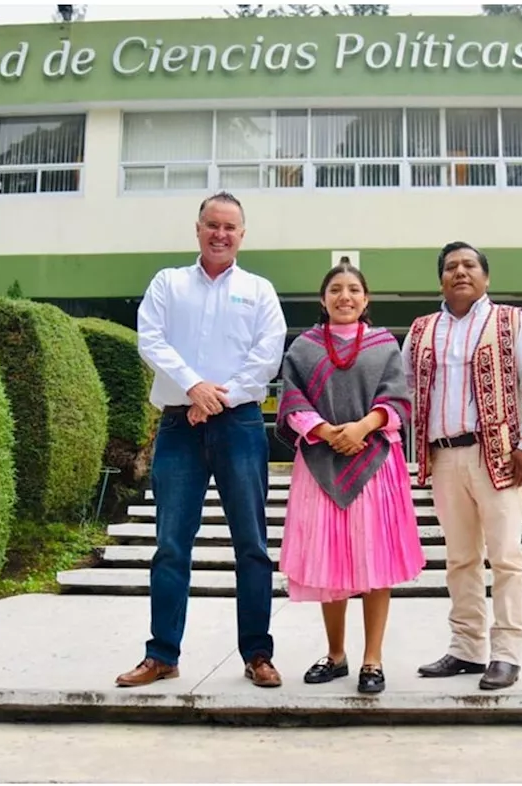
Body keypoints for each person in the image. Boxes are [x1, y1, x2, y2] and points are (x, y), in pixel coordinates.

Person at [117, 191, 287, 689]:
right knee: (171, 544)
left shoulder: (258, 291)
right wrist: (194, 386)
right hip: (178, 425)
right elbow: (151, 339)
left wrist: (217, 397)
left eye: (230, 227)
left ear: (242, 234)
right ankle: (162, 654)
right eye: (212, 225)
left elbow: (267, 354)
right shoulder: (168, 284)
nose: (220, 234)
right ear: (197, 228)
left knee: (252, 545)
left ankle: (258, 653)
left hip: (239, 426)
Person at [401, 241, 522, 691]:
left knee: (505, 556)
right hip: (443, 455)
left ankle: (506, 654)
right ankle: (466, 648)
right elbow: (404, 386)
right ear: (441, 279)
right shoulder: (421, 329)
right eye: (451, 267)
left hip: (499, 455)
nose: (460, 272)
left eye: (469, 265)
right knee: (460, 558)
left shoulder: (512, 321)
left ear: (485, 277)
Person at [275, 262, 425, 694]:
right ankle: (336, 655)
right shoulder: (303, 348)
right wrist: (324, 432)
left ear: (366, 298)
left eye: (354, 289)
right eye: (336, 289)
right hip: (320, 463)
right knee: (330, 563)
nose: (345, 296)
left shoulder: (384, 346)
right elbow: (291, 399)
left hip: (375, 460)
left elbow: (397, 398)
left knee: (375, 563)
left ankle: (372, 660)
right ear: (322, 299)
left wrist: (361, 428)